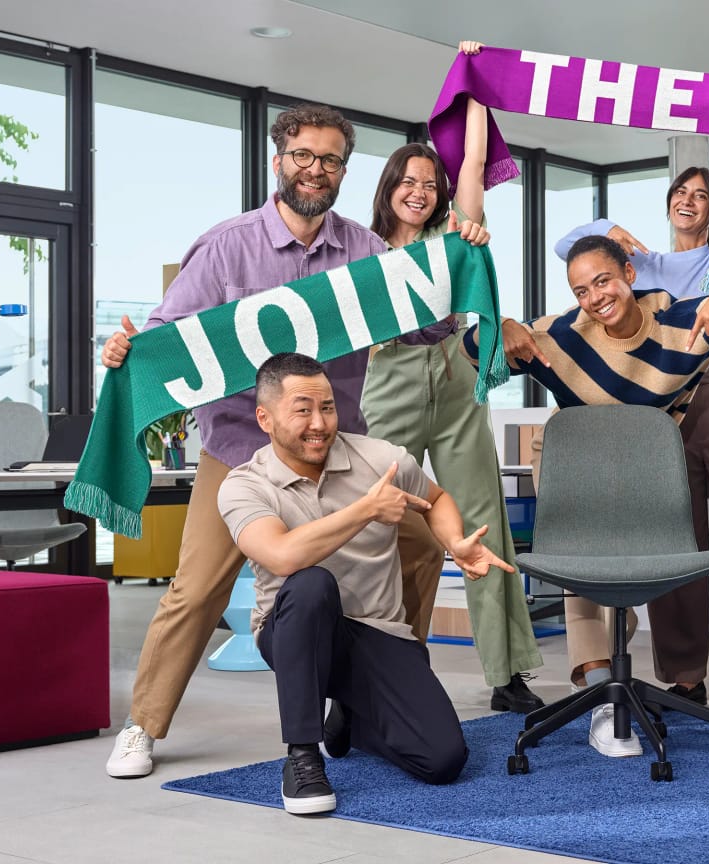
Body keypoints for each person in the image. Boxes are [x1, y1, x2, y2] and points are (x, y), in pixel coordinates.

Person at [100, 102, 489, 779]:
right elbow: (167, 333)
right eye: (304, 155)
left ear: (343, 171)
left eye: (331, 160)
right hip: (238, 452)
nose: (316, 169)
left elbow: (425, 324)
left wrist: (457, 259)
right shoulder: (227, 246)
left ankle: (376, 694)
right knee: (196, 589)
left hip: (341, 451)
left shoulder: (366, 251)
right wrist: (125, 352)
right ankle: (143, 726)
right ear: (279, 160)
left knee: (425, 546)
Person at [464, 234, 709, 756]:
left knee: (622, 583)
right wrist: (500, 326)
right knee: (581, 570)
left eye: (603, 281)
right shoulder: (564, 335)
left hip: (639, 463)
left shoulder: (682, 324)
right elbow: (474, 350)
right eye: (581, 290)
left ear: (630, 275)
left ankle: (608, 670)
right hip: (572, 458)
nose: (595, 297)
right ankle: (601, 699)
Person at [551, 69, 709, 717]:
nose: (689, 199)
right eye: (680, 192)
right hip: (661, 410)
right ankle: (686, 674)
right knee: (677, 543)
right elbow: (568, 246)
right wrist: (613, 231)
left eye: (701, 194)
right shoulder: (641, 268)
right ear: (668, 204)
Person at [217, 352, 509, 814]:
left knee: (443, 760)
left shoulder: (379, 458)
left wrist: (454, 541)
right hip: (294, 631)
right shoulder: (244, 485)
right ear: (265, 418)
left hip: (377, 631)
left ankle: (353, 714)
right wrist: (366, 510)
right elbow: (282, 555)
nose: (319, 423)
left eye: (328, 407)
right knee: (311, 584)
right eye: (302, 410)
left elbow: (435, 499)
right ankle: (303, 756)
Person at [360, 40, 546, 716]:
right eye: (406, 181)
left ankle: (507, 672)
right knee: (379, 526)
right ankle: (377, 670)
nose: (419, 190)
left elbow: (470, 161)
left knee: (481, 520)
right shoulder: (362, 252)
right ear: (388, 190)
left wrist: (474, 85)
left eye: (427, 182)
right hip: (390, 380)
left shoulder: (455, 235)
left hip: (456, 372)